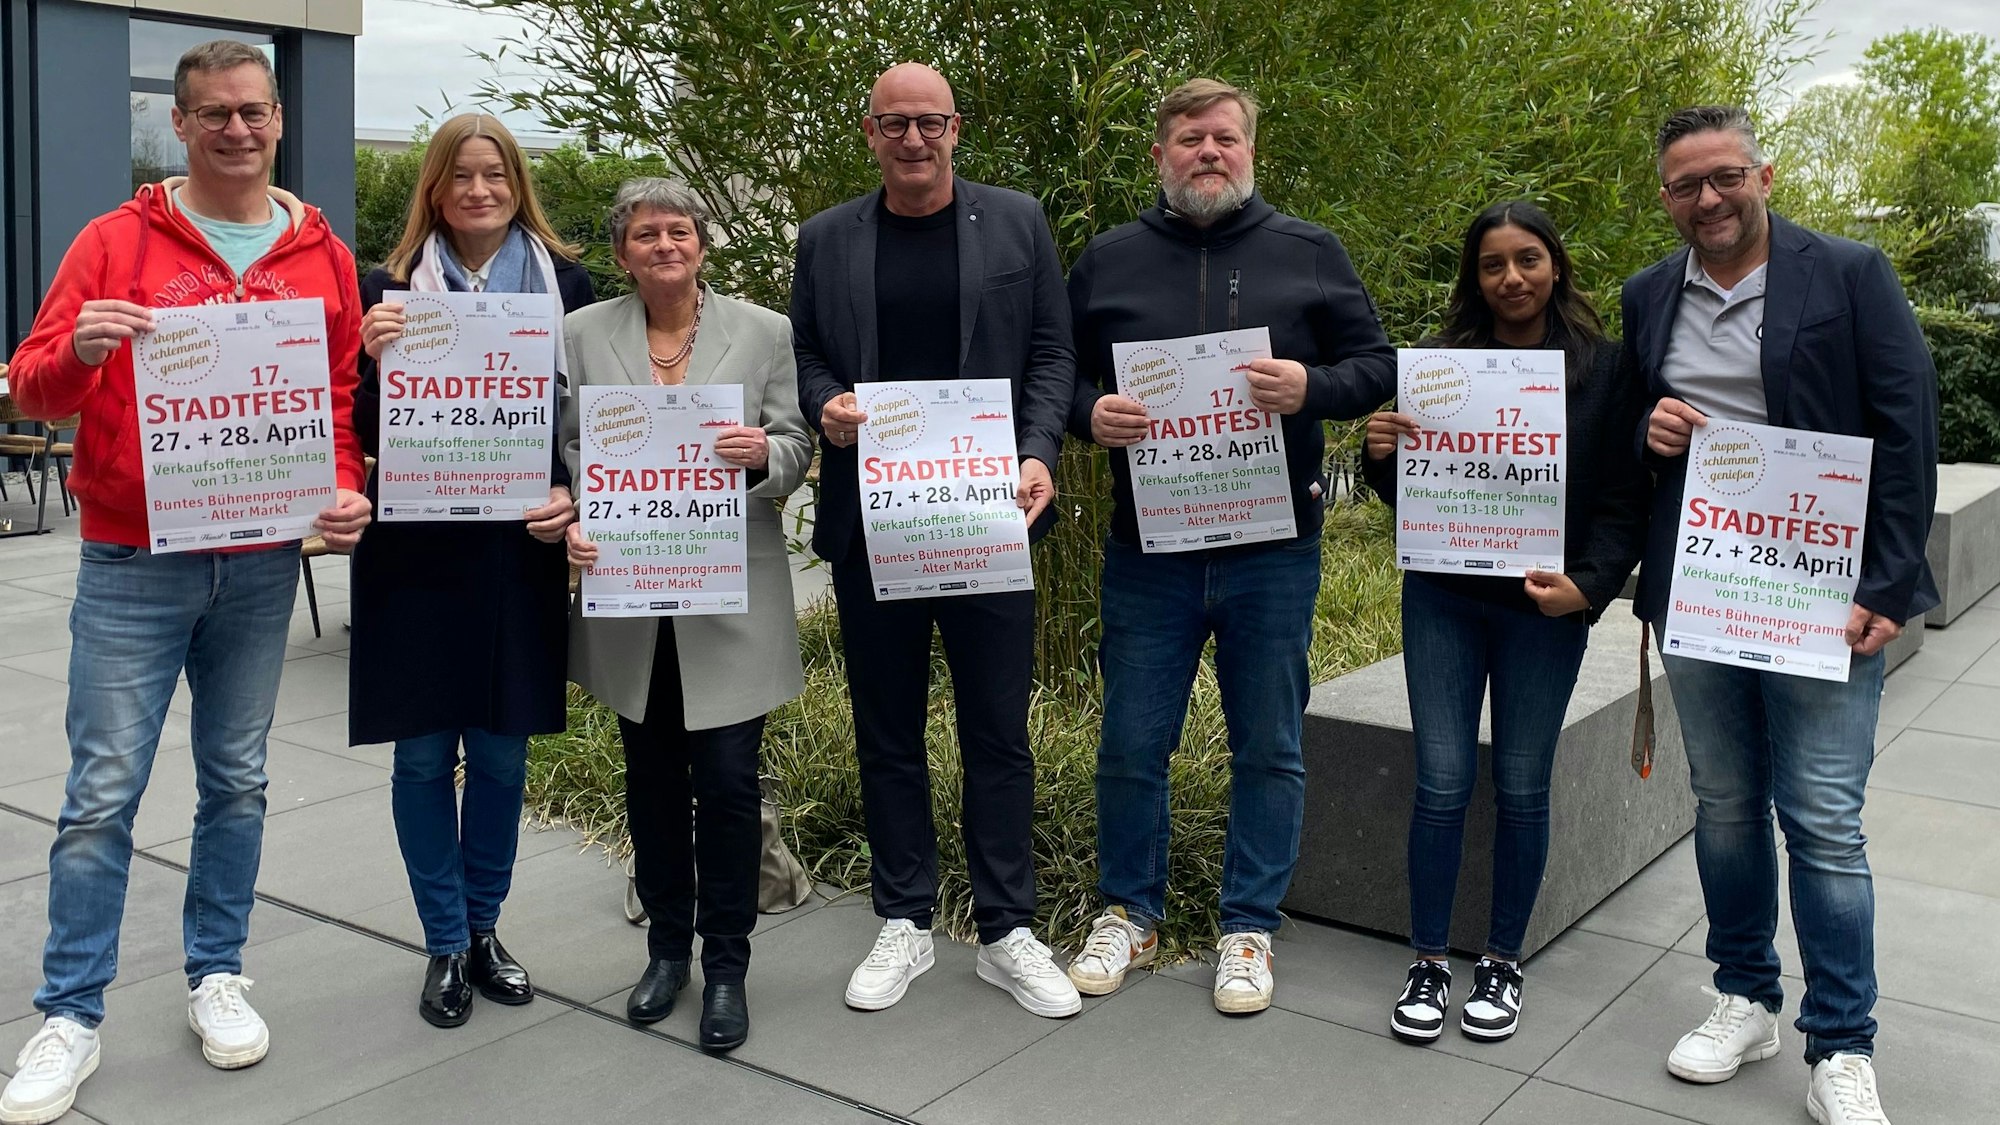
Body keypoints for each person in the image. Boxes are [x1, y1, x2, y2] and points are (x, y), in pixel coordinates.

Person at [0, 39, 370, 1124]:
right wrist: (82, 350)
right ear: (180, 123)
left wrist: (344, 487)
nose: (236, 129)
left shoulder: (324, 255)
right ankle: (70, 1012)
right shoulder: (113, 241)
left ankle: (217, 971)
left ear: (279, 119)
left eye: (252, 111)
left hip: (259, 561)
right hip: (133, 560)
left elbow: (335, 400)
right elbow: (33, 388)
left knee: (237, 780)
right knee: (101, 792)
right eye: (213, 113)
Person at [1628, 107, 1936, 1125]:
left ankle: (1841, 1042)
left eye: (1725, 176)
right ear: (1665, 197)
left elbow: (1906, 429)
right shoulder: (1647, 295)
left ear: (1762, 174)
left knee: (1823, 821)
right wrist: (1647, 430)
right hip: (1703, 590)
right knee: (1723, 802)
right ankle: (1745, 996)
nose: (1708, 198)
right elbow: (1622, 434)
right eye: (1685, 184)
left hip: (1823, 593)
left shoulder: (1848, 273)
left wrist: (1886, 583)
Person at [1063, 79, 1394, 1014]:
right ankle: (1130, 911)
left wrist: (1311, 387)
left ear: (1250, 151)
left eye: (1224, 138)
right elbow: (1053, 372)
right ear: (1159, 154)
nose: (1207, 152)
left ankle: (1249, 925)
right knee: (1132, 741)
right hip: (1149, 550)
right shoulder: (1108, 259)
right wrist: (1090, 412)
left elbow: (1377, 365)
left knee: (1269, 744)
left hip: (1272, 549)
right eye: (1188, 138)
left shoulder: (1309, 250)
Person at [790, 62, 1080, 1019]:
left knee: (997, 729)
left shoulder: (1017, 222)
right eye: (895, 123)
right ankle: (905, 917)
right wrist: (825, 405)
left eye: (930, 122)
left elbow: (1051, 350)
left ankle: (1006, 930)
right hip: (875, 520)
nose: (913, 139)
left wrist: (1039, 450)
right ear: (868, 132)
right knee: (889, 728)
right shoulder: (826, 237)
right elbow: (806, 350)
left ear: (957, 128)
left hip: (987, 513)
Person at [1360, 201, 1650, 1044]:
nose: (1512, 277)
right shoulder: (1442, 364)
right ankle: (1427, 959)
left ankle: (1501, 960)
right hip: (1444, 599)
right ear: (1474, 277)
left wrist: (1588, 588)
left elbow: (1625, 498)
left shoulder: (1606, 367)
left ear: (1555, 265)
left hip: (1544, 608)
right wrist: (1379, 456)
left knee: (1523, 785)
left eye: (1528, 259)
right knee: (1441, 782)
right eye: (1493, 264)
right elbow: (1414, 494)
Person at [348, 113, 597, 1029]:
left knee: (500, 752)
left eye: (494, 173)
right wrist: (371, 355)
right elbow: (362, 430)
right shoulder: (387, 290)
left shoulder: (568, 285)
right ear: (435, 189)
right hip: (415, 548)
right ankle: (444, 939)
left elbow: (592, 418)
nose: (479, 190)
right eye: (461, 175)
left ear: (517, 182)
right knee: (422, 755)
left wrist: (573, 490)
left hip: (516, 547)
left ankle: (485, 928)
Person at [561, 178, 811, 1053]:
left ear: (701, 245)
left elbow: (796, 442)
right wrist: (577, 512)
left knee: (731, 785)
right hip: (631, 594)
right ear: (620, 253)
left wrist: (762, 454)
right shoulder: (580, 333)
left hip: (729, 593)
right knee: (653, 780)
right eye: (645, 234)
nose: (664, 245)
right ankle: (668, 950)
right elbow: (568, 445)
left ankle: (728, 964)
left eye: (678, 231)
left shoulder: (764, 330)